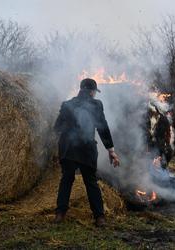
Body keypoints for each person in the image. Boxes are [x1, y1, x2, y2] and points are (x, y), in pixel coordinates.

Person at [54, 78, 120, 227]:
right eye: (95, 92)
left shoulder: (67, 105)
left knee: (66, 180)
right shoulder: (96, 105)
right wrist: (111, 151)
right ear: (91, 92)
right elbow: (103, 128)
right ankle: (99, 218)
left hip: (67, 148)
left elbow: (57, 128)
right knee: (90, 181)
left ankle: (59, 214)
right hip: (86, 149)